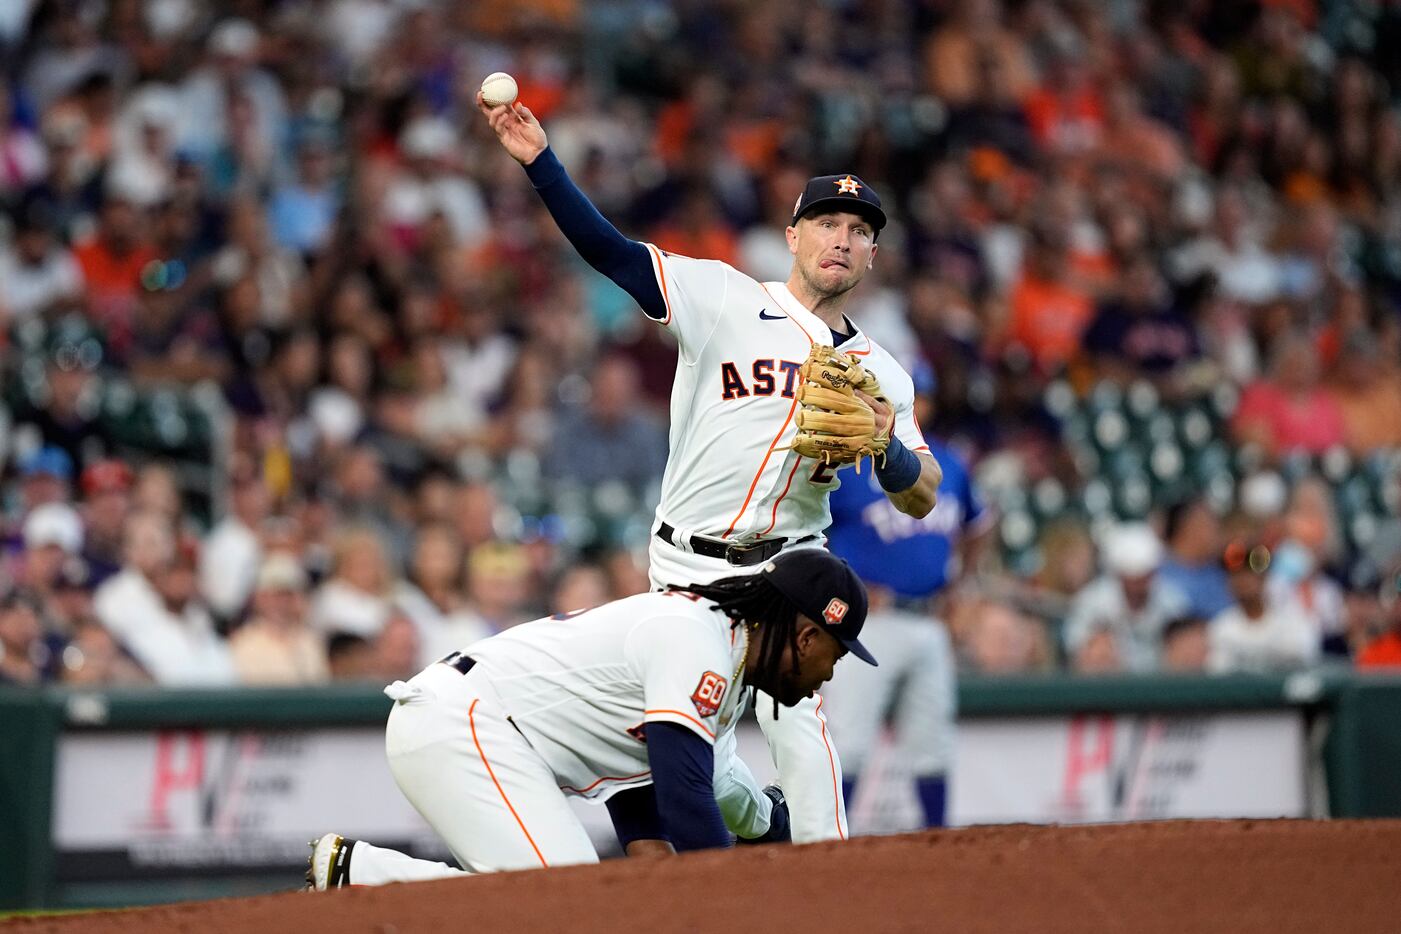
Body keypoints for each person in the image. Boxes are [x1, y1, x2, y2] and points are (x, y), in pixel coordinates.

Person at [475, 87, 940, 843]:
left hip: (793, 566)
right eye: (827, 222)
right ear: (791, 236)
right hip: (687, 570)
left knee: (801, 724)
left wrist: (885, 447)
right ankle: (764, 828)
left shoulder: (882, 372)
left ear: (873, 254)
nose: (843, 238)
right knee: (707, 772)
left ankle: (828, 879)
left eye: (859, 230)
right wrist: (542, 165)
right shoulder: (723, 297)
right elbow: (613, 255)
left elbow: (922, 494)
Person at [306, 549, 874, 888]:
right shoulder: (698, 642)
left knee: (575, 900)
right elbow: (685, 796)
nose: (830, 671)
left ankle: (355, 876)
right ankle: (364, 875)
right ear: (806, 635)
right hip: (465, 723)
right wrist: (725, 901)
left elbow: (641, 785)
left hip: (475, 726)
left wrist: (650, 882)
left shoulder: (722, 652)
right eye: (836, 652)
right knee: (565, 900)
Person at [821, 387, 991, 830]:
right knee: (851, 743)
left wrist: (962, 585)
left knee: (933, 746)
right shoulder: (849, 462)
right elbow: (811, 528)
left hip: (930, 617)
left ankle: (938, 845)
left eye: (921, 396)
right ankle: (827, 846)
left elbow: (979, 526)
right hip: (870, 621)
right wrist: (841, 585)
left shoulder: (948, 463)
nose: (913, 407)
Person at [1062, 523, 1188, 672]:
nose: (1138, 586)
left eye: (1144, 577)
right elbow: (1076, 653)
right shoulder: (1091, 602)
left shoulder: (1173, 602)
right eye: (1132, 578)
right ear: (1118, 575)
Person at [1208, 539, 1319, 674]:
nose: (1243, 580)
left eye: (1250, 573)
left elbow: (1305, 665)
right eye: (1236, 574)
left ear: (1264, 578)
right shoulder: (1222, 626)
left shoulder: (1292, 622)